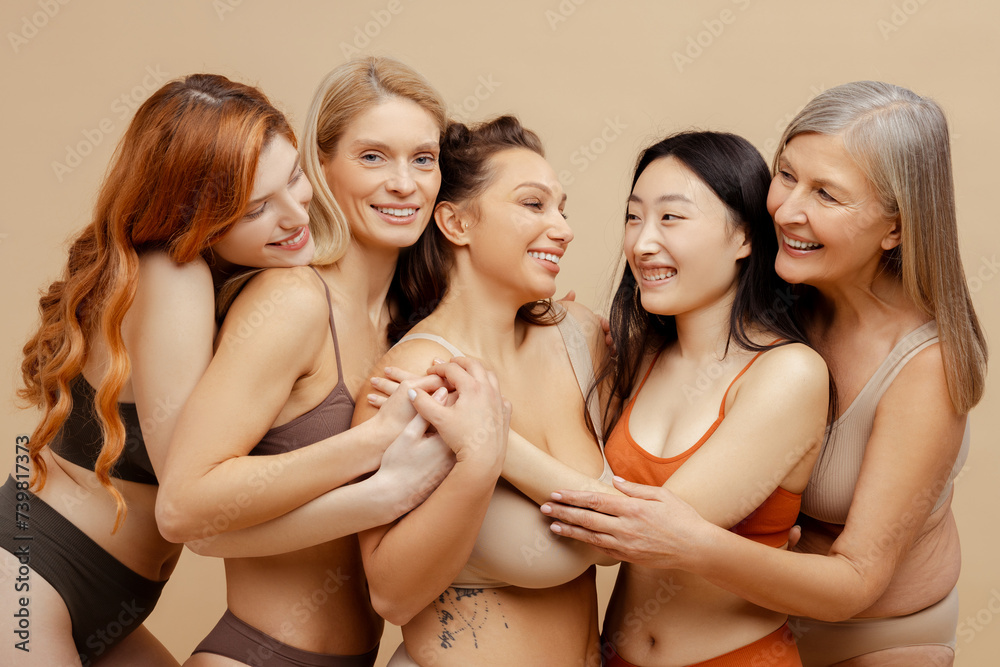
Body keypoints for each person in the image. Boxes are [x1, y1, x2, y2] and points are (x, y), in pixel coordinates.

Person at [543, 82, 985, 666]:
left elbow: (855, 579)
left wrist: (696, 542)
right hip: (758, 613)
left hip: (877, 632)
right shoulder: (784, 298)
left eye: (827, 194)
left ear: (896, 228)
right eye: (786, 175)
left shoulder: (925, 365)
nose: (785, 208)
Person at [153, 57, 500, 667]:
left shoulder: (411, 322)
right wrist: (376, 444)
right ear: (322, 166)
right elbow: (185, 501)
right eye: (372, 157)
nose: (404, 183)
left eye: (422, 159)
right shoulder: (291, 301)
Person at [0, 74, 319, 666]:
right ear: (194, 214)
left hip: (108, 604)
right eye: (255, 208)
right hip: (29, 583)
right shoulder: (175, 277)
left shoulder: (217, 272)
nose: (296, 213)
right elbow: (190, 508)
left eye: (295, 176)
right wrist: (379, 484)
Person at [355, 115, 618, 667]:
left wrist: (497, 444)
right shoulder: (417, 380)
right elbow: (392, 596)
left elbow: (624, 531)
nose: (564, 227)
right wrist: (478, 459)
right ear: (455, 223)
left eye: (562, 208)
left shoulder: (580, 337)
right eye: (533, 204)